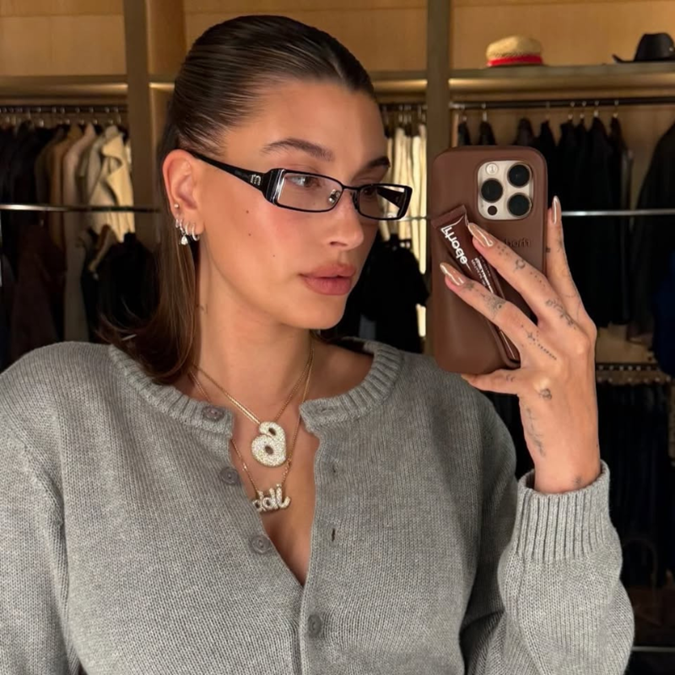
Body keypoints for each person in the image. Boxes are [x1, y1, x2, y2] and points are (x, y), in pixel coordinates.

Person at [0, 15, 634, 675]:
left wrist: (568, 472)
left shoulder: (446, 416)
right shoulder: (53, 421)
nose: (351, 230)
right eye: (301, 179)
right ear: (187, 190)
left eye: (368, 187)